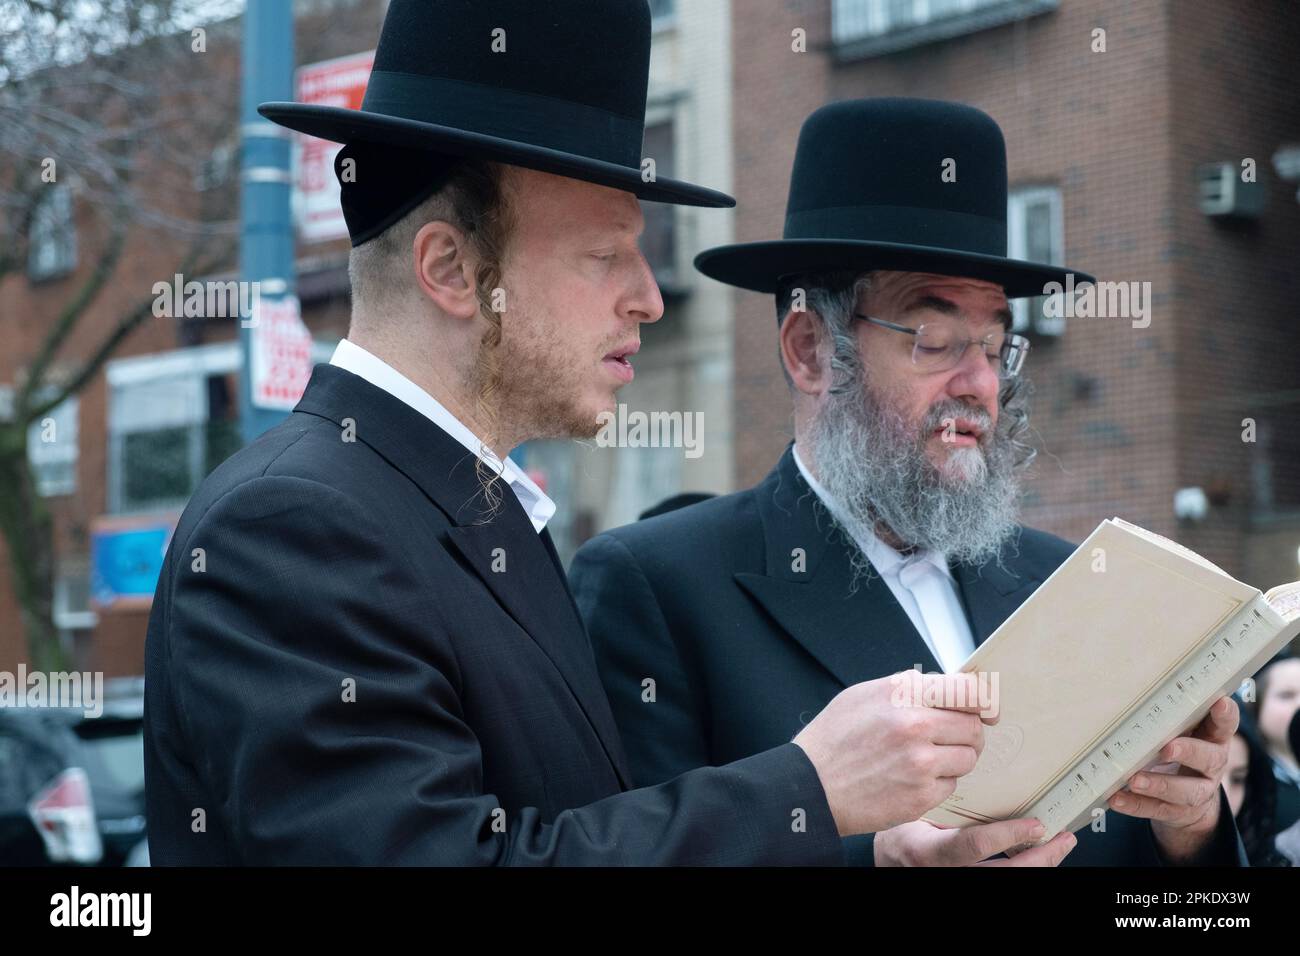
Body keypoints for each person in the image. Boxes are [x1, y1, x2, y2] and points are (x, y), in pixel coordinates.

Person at [143, 3, 987, 865]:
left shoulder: (470, 509)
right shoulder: (293, 526)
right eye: (606, 254)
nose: (648, 298)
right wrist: (808, 787)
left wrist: (876, 853)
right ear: (453, 270)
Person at [573, 98, 1247, 867]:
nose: (979, 384)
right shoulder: (658, 589)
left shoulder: (1063, 580)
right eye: (934, 339)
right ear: (811, 351)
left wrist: (1189, 832)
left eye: (994, 346)